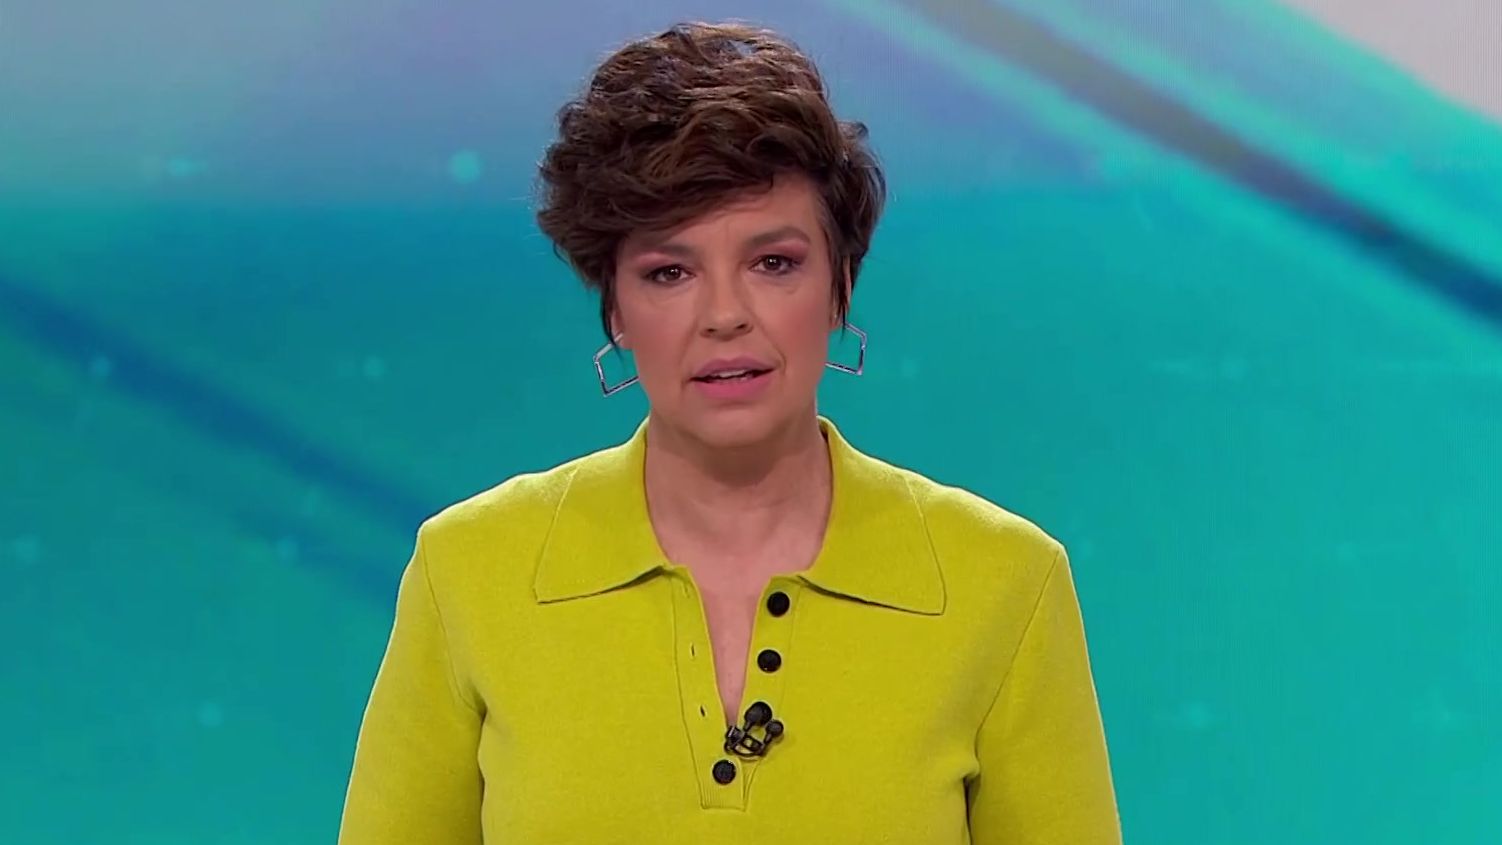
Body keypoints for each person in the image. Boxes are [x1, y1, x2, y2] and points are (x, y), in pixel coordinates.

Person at [338, 20, 1120, 844]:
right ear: (615, 307)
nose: (724, 316)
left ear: (840, 286)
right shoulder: (469, 572)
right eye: (669, 272)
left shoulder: (1004, 584)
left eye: (773, 262)